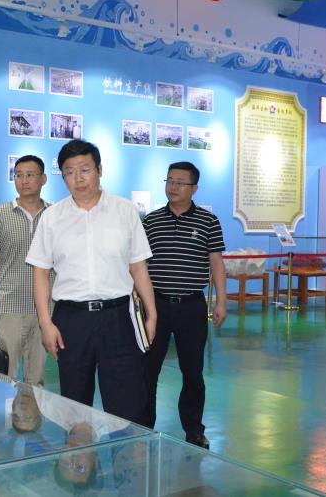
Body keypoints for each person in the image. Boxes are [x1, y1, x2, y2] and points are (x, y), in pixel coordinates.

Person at [26, 139, 157, 425]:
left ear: (99, 170)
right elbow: (40, 274)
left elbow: (138, 267)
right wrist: (46, 324)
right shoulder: (52, 218)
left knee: (125, 404)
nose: (78, 178)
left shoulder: (124, 211)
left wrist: (152, 313)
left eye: (85, 169)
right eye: (69, 172)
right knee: (74, 404)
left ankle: (124, 453)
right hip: (71, 320)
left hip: (118, 318)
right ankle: (78, 453)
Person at [142, 161, 227, 449]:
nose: (173, 187)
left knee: (192, 372)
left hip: (192, 307)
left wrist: (221, 300)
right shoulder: (151, 221)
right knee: (147, 370)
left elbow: (216, 263)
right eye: (169, 181)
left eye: (180, 182)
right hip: (156, 307)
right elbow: (140, 265)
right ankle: (144, 427)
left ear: (194, 188)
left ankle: (194, 430)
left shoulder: (208, 221)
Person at [0, 155, 52, 385]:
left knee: (36, 380)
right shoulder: (0, 214)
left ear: (43, 179)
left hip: (45, 310)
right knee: (3, 377)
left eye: (30, 175)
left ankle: (31, 411)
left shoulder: (54, 215)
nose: (24, 180)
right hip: (9, 308)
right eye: (18, 175)